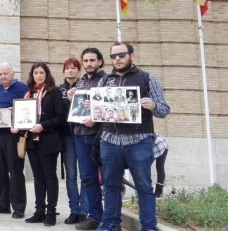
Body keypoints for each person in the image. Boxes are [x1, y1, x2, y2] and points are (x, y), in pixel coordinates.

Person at [96, 42, 170, 231]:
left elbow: (164, 110)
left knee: (143, 186)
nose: (117, 59)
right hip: (110, 141)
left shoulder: (146, 78)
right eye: (113, 56)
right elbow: (97, 113)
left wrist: (153, 106)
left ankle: (148, 227)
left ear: (132, 56)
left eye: (121, 55)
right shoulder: (105, 81)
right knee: (111, 186)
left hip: (139, 140)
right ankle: (110, 225)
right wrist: (92, 107)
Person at [67, 47, 106, 230]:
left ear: (100, 62)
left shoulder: (107, 81)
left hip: (101, 136)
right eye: (86, 61)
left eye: (92, 60)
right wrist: (70, 97)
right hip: (80, 136)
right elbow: (77, 108)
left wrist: (95, 116)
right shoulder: (81, 83)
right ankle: (94, 216)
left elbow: (113, 107)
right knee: (88, 178)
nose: (89, 64)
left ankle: (110, 219)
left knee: (108, 179)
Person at [0, 63, 28, 218]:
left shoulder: (22, 88)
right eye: (0, 74)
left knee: (15, 171)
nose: (2, 76)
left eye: (5, 73)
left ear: (13, 74)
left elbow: (29, 109)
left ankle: (19, 207)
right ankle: (2, 204)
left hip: (13, 135)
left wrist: (16, 111)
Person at [23, 62, 64, 226]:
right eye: (35, 73)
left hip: (49, 140)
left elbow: (60, 117)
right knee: (38, 177)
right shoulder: (29, 94)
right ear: (32, 75)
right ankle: (39, 211)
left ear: (47, 74)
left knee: (49, 176)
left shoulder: (53, 92)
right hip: (32, 142)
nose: (38, 76)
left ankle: (51, 212)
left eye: (41, 72)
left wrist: (43, 126)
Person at [57, 58, 88, 225]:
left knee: (85, 174)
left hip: (83, 134)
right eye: (67, 68)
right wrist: (67, 101)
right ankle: (74, 210)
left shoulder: (85, 86)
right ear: (63, 71)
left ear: (79, 70)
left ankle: (84, 211)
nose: (70, 71)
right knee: (70, 175)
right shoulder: (59, 90)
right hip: (67, 136)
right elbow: (58, 113)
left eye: (73, 68)